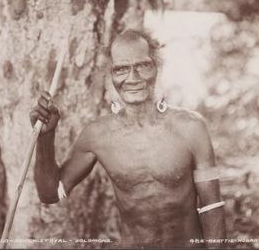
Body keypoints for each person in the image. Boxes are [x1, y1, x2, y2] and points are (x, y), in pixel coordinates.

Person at [30, 29, 226, 248]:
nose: (132, 78)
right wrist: (45, 137)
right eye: (121, 69)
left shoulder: (191, 128)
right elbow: (49, 194)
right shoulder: (97, 135)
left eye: (142, 66)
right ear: (111, 75)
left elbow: (212, 205)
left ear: (156, 67)